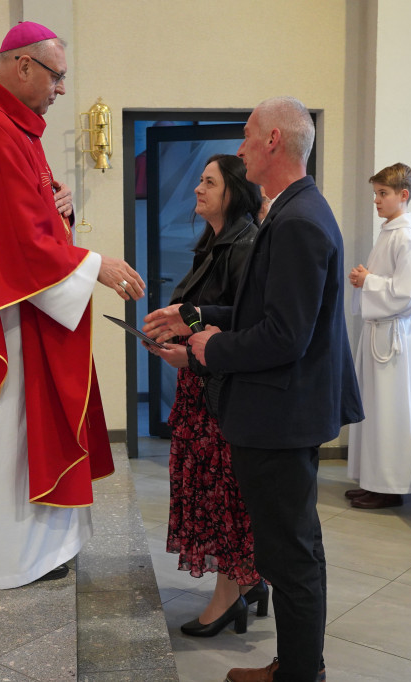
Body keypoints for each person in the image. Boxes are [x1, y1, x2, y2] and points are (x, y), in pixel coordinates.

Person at [144, 97, 363, 682]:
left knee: (290, 557)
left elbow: (285, 334)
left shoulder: (297, 220)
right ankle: (295, 664)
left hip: (281, 410)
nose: (240, 148)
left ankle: (298, 674)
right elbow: (260, 306)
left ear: (272, 140)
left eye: (245, 137)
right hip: (283, 406)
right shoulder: (293, 209)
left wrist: (209, 347)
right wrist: (194, 315)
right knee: (289, 550)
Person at [0, 21, 145, 589]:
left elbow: (24, 223)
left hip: (17, 306)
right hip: (5, 320)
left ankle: (33, 549)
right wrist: (96, 264)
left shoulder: (8, 126)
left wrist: (60, 212)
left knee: (22, 434)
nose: (62, 90)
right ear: (23, 66)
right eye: (57, 77)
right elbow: (17, 246)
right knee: (9, 434)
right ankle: (5, 557)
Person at [145, 154, 267, 638]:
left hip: (223, 391)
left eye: (208, 182)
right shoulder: (214, 241)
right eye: (198, 179)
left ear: (233, 192)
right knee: (207, 489)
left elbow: (243, 320)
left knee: (225, 495)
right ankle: (245, 580)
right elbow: (204, 316)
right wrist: (173, 336)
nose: (197, 188)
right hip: (200, 388)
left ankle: (231, 593)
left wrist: (189, 344)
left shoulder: (246, 243)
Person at [345, 163, 411, 510]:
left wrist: (370, 282)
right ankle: (373, 481)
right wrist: (366, 279)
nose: (376, 201)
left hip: (393, 338)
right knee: (374, 411)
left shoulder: (406, 236)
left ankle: (390, 487)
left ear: (403, 195)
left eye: (383, 194)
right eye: (375, 194)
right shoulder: (390, 232)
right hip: (378, 332)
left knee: (390, 413)